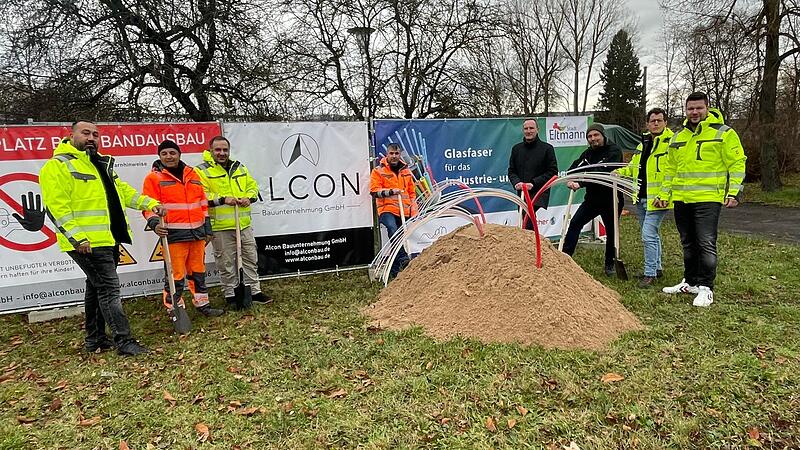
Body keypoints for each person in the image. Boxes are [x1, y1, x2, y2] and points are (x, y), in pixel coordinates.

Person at [39, 120, 165, 356]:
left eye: (95, 135)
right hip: (87, 243)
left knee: (96, 287)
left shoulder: (100, 163)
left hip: (109, 238)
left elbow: (123, 192)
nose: (91, 138)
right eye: (85, 133)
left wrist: (150, 203)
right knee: (109, 289)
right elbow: (56, 208)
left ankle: (95, 339)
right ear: (71, 136)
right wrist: (77, 239)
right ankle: (124, 341)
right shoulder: (57, 166)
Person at [654, 92, 746, 307]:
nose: (694, 112)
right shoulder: (678, 137)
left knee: (705, 243)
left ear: (707, 108)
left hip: (708, 198)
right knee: (687, 242)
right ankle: (690, 282)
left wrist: (734, 192)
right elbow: (670, 169)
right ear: (685, 110)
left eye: (699, 108)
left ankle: (706, 288)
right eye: (690, 108)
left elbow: (737, 163)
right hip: (682, 199)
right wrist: (664, 194)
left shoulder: (724, 133)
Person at [142, 139, 224, 320]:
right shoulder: (153, 178)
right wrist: (155, 224)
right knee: (175, 275)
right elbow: (147, 205)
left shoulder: (192, 174)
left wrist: (207, 228)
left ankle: (202, 304)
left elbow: (202, 203)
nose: (169, 156)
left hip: (197, 234)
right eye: (164, 153)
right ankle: (175, 308)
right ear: (159, 156)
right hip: (173, 235)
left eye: (172, 153)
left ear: (179, 154)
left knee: (198, 272)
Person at [194, 136, 270, 307]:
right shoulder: (201, 171)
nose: (222, 153)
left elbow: (252, 186)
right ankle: (231, 294)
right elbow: (200, 195)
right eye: (218, 150)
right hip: (221, 226)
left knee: (250, 258)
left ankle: (254, 291)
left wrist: (249, 197)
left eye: (225, 150)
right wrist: (222, 199)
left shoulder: (239, 167)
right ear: (211, 151)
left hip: (243, 224)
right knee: (226, 262)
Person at [615, 108, 674, 288]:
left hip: (658, 199)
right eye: (652, 121)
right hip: (641, 198)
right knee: (652, 234)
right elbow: (633, 167)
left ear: (665, 123)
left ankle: (650, 274)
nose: (656, 123)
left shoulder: (672, 143)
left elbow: (673, 172)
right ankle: (657, 268)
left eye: (659, 120)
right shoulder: (643, 144)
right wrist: (619, 172)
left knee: (648, 235)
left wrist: (664, 194)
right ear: (647, 124)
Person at [560, 123, 624, 276]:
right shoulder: (588, 154)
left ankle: (610, 264)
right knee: (575, 223)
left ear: (602, 135)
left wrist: (581, 183)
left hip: (611, 199)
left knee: (611, 232)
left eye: (596, 135)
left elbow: (601, 173)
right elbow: (575, 167)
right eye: (589, 136)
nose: (593, 139)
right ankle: (564, 258)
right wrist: (570, 178)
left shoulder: (614, 151)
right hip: (592, 200)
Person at [370, 143, 417, 277]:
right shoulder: (378, 171)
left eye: (396, 153)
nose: (394, 156)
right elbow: (374, 192)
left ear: (400, 154)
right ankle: (403, 258)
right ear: (387, 154)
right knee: (392, 229)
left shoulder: (406, 171)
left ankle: (394, 272)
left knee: (398, 238)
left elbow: (412, 193)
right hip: (387, 209)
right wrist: (391, 191)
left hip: (404, 210)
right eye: (391, 153)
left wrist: (413, 210)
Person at [508, 118, 559, 229]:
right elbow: (511, 171)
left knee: (527, 215)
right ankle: (532, 238)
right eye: (526, 128)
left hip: (539, 190)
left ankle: (532, 239)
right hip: (522, 192)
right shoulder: (516, 149)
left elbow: (553, 171)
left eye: (531, 128)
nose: (528, 131)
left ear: (537, 130)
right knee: (526, 218)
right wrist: (516, 182)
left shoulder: (547, 148)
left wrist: (533, 183)